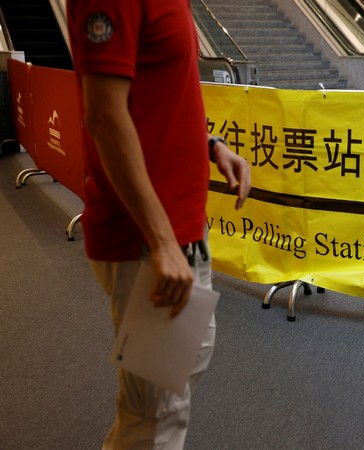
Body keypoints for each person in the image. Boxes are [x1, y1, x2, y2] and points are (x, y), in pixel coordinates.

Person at [67, 0, 251, 448]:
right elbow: (105, 116)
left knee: (176, 381)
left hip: (180, 229)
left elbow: (159, 88)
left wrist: (210, 145)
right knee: (155, 416)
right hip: (148, 240)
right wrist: (162, 241)